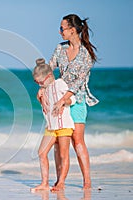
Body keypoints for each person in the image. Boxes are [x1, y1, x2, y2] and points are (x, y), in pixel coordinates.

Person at [41, 14, 99, 190]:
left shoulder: (86, 54)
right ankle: (60, 181)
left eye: (62, 28)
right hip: (58, 97)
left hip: (77, 99)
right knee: (60, 141)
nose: (60, 32)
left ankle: (87, 180)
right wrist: (42, 86)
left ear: (72, 30)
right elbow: (50, 67)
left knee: (77, 140)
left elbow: (77, 83)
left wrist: (63, 100)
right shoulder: (60, 48)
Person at [31, 58, 76, 193]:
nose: (39, 84)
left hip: (64, 125)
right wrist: (39, 97)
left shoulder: (60, 84)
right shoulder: (42, 90)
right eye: (36, 82)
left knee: (63, 154)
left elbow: (72, 100)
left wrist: (62, 102)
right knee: (41, 152)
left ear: (49, 76)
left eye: (40, 82)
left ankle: (61, 182)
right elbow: (45, 109)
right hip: (50, 127)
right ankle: (44, 183)